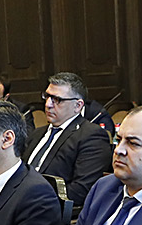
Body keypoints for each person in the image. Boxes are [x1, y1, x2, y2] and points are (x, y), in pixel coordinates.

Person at [25, 72, 112, 206]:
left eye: (57, 99)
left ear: (78, 105)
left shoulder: (91, 136)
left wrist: (29, 202)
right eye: (47, 96)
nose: (48, 104)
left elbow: (80, 191)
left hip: (47, 209)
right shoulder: (36, 134)